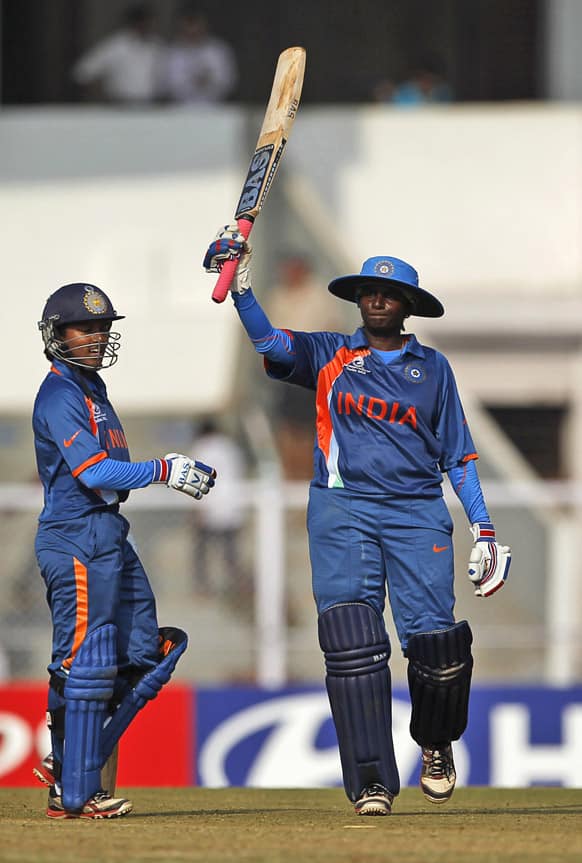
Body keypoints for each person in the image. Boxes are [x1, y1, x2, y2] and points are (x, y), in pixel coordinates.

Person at [203, 227, 512, 816]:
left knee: (437, 649)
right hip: (342, 509)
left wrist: (485, 528)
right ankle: (371, 780)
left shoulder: (435, 369)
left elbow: (461, 457)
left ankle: (436, 742)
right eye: (368, 290)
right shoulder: (328, 354)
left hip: (417, 513)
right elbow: (270, 342)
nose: (376, 299)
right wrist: (242, 286)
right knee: (351, 643)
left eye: (389, 293)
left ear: (408, 306)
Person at [32, 282, 216, 819]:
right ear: (56, 334)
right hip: (74, 537)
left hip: (110, 535)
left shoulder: (93, 390)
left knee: (145, 653)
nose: (96, 336)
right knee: (84, 662)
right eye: (84, 327)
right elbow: (94, 472)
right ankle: (76, 789)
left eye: (101, 327)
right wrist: (165, 469)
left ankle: (66, 763)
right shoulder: (60, 395)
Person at [265, 254, 343, 479]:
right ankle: (292, 477)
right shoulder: (278, 296)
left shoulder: (319, 296)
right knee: (288, 432)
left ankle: (310, 477)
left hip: (313, 372)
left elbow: (331, 330)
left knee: (313, 434)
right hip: (286, 373)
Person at [189, 417, 248, 597]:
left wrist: (196, 508)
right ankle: (235, 585)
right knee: (230, 552)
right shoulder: (231, 447)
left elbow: (194, 478)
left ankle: (203, 586)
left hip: (209, 505)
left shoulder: (202, 447)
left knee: (202, 551)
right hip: (232, 505)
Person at [71, 2, 165, 105]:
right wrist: (99, 95)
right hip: (120, 105)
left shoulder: (157, 46)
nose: (148, 26)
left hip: (151, 106)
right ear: (135, 23)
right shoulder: (116, 46)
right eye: (145, 22)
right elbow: (83, 72)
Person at [162, 4, 238, 104]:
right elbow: (168, 85)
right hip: (181, 110)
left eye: (196, 23)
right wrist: (192, 82)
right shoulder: (173, 54)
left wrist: (209, 83)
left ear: (204, 24)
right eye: (189, 24)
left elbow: (229, 81)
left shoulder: (218, 51)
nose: (193, 29)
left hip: (214, 108)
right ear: (181, 25)